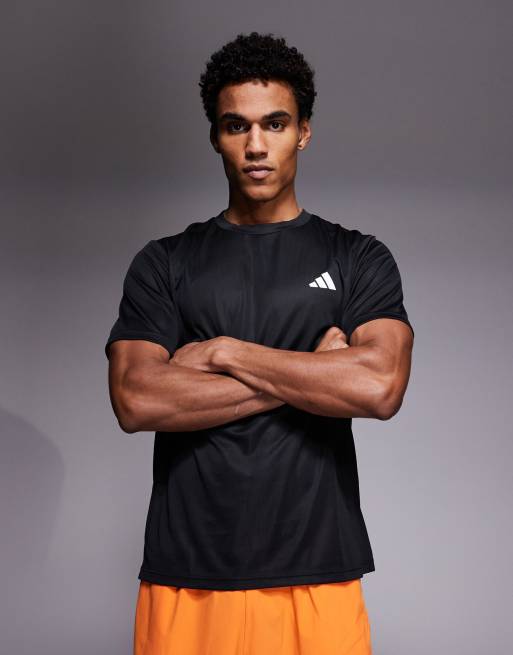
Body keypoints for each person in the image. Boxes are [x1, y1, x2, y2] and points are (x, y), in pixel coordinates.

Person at [105, 31, 414, 655]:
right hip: (187, 573)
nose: (255, 145)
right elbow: (136, 399)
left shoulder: (357, 256)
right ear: (215, 136)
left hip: (318, 569)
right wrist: (311, 377)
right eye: (235, 126)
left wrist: (224, 353)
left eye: (275, 123)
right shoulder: (165, 262)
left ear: (303, 132)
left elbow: (379, 386)